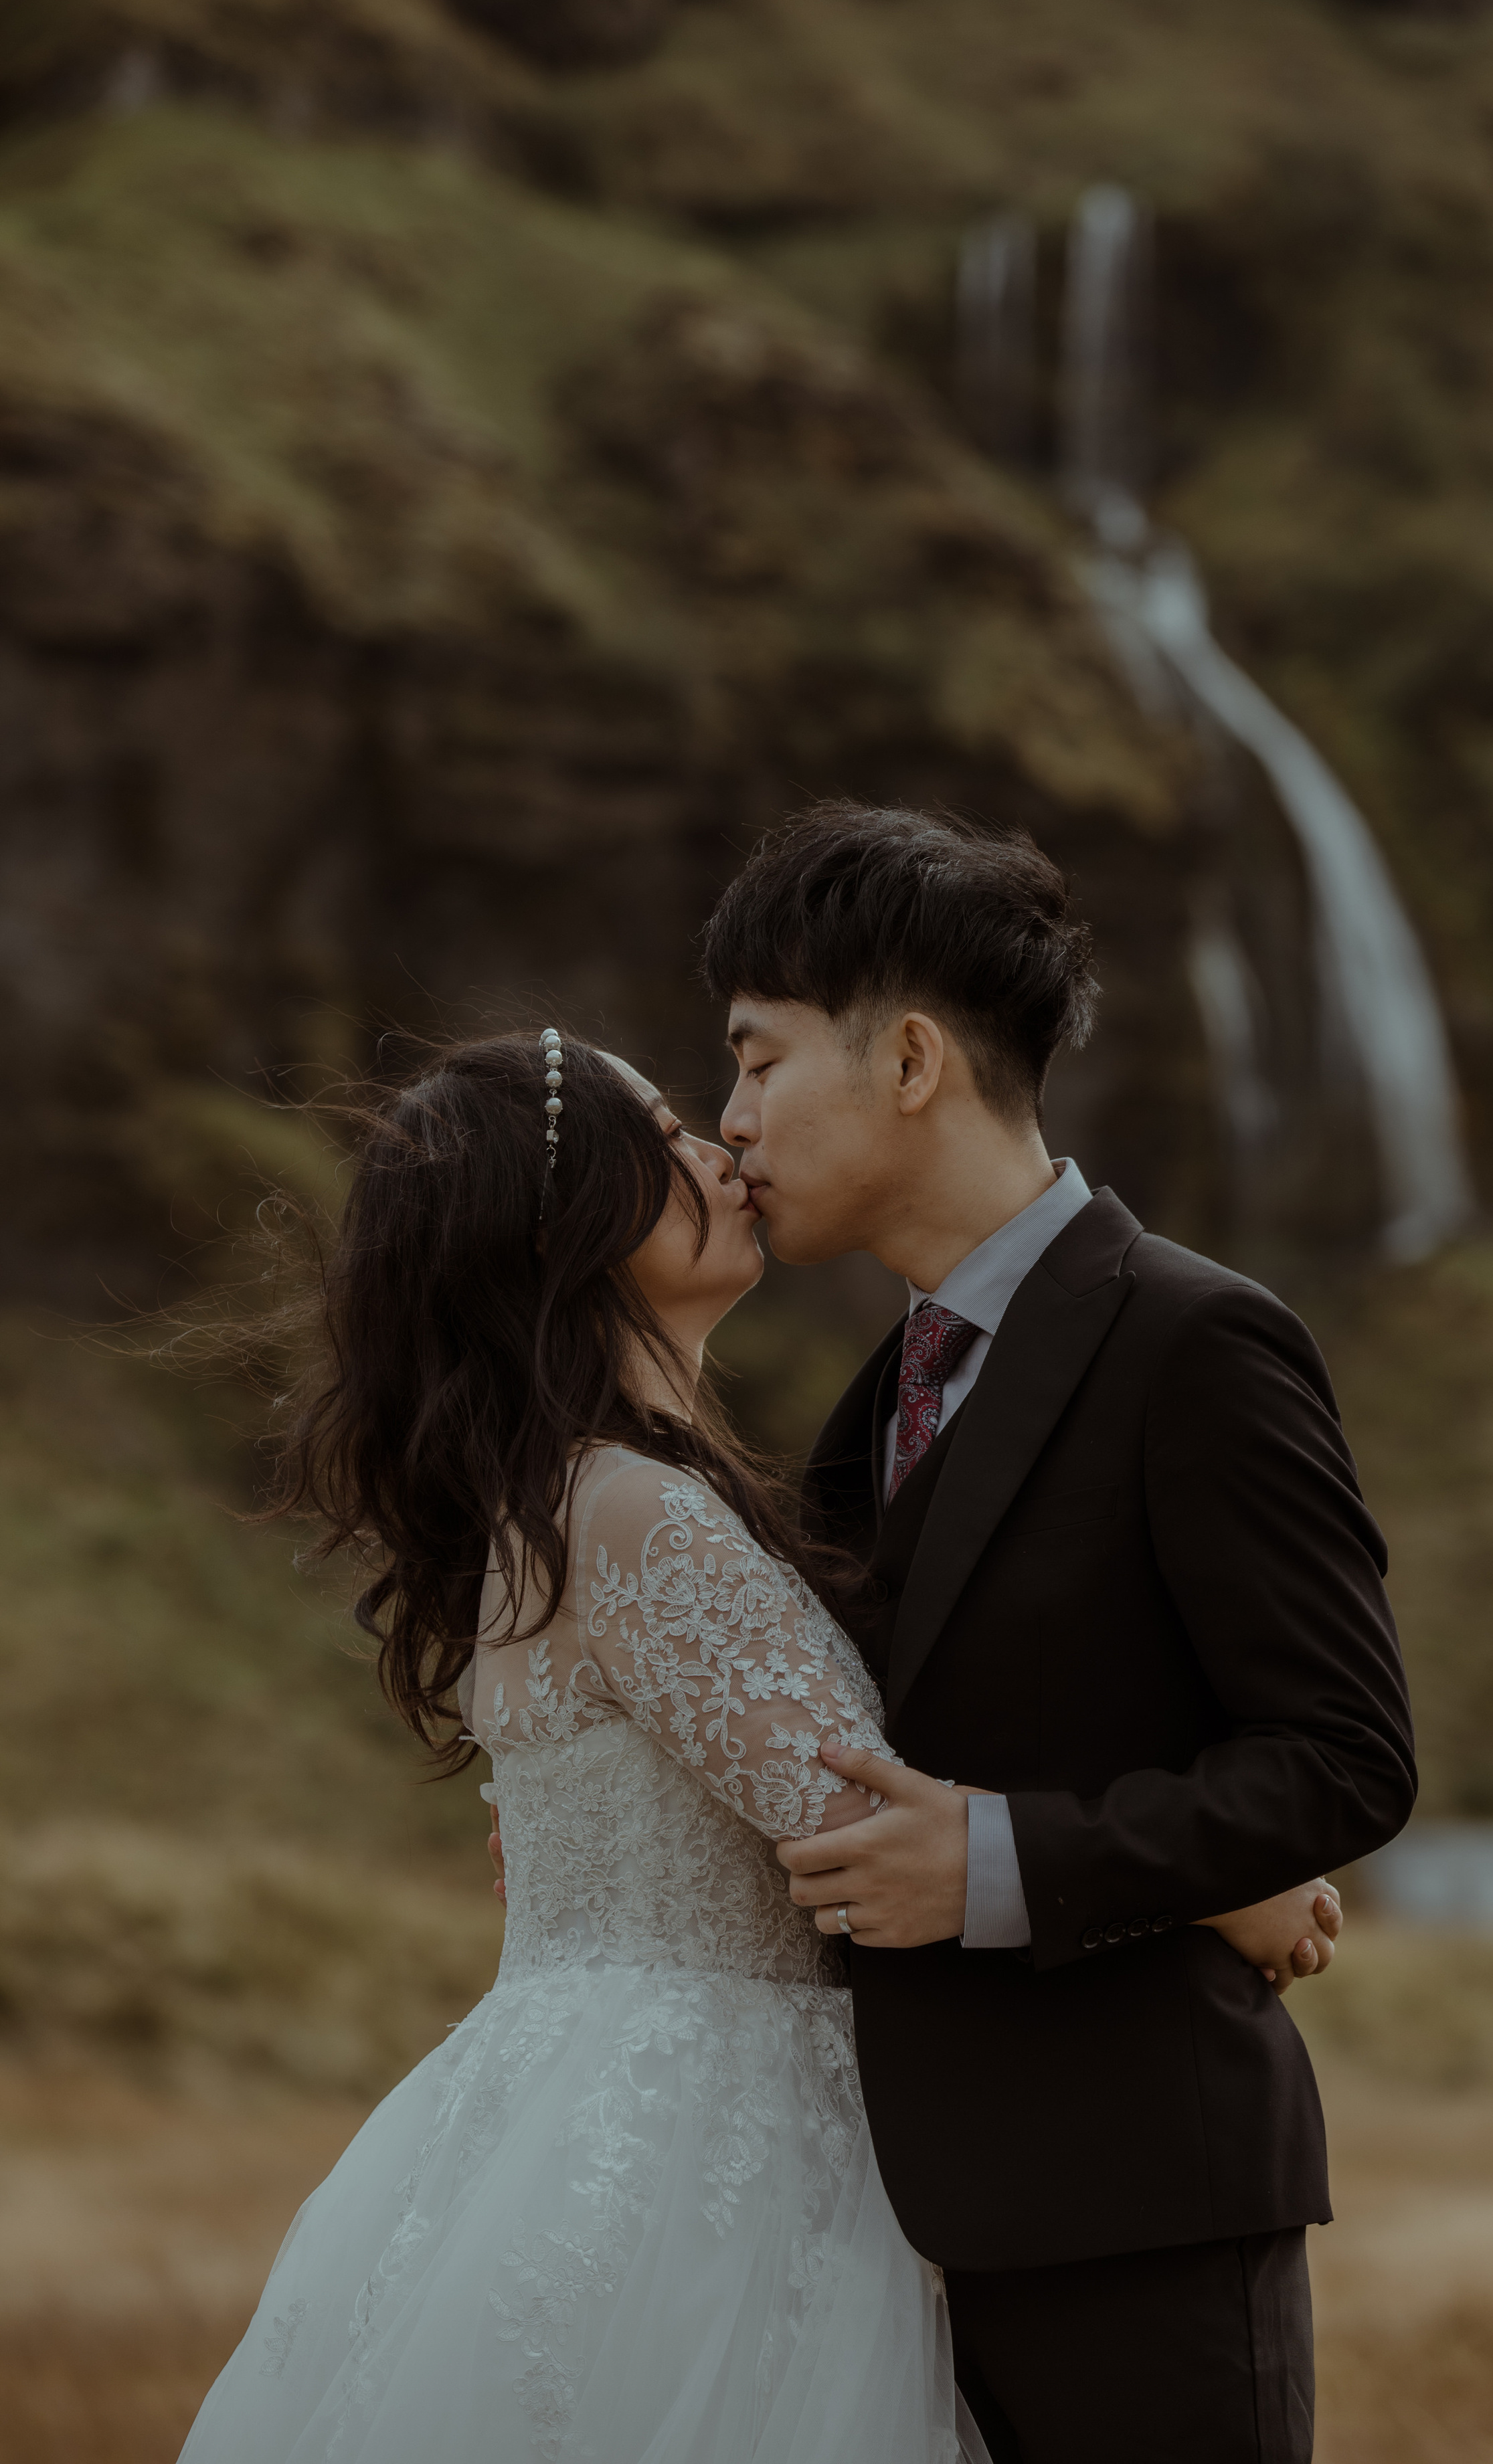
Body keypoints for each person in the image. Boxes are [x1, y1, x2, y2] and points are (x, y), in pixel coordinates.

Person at [178, 1025, 1335, 2464]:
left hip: (592, 2102)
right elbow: (855, 1811)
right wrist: (1234, 1884)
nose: (720, 1146)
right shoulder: (636, 1513)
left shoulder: (589, 1499)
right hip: (704, 2140)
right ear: (572, 1226)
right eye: (665, 1137)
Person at [697, 802, 1417, 2464]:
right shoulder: (877, 1394)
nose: (730, 1122)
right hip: (884, 2228)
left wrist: (1006, 1863)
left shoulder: (1197, 1339)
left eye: (754, 1061)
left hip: (1137, 2217)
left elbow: (1345, 1757)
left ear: (909, 1062)